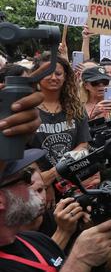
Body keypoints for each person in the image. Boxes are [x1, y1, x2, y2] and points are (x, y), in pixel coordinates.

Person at [27, 54, 95, 191]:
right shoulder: (27, 109)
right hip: (35, 184)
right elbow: (24, 151)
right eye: (47, 73)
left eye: (58, 73)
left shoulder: (76, 108)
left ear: (65, 77)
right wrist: (42, 183)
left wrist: (54, 174)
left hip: (72, 182)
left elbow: (83, 145)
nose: (53, 78)